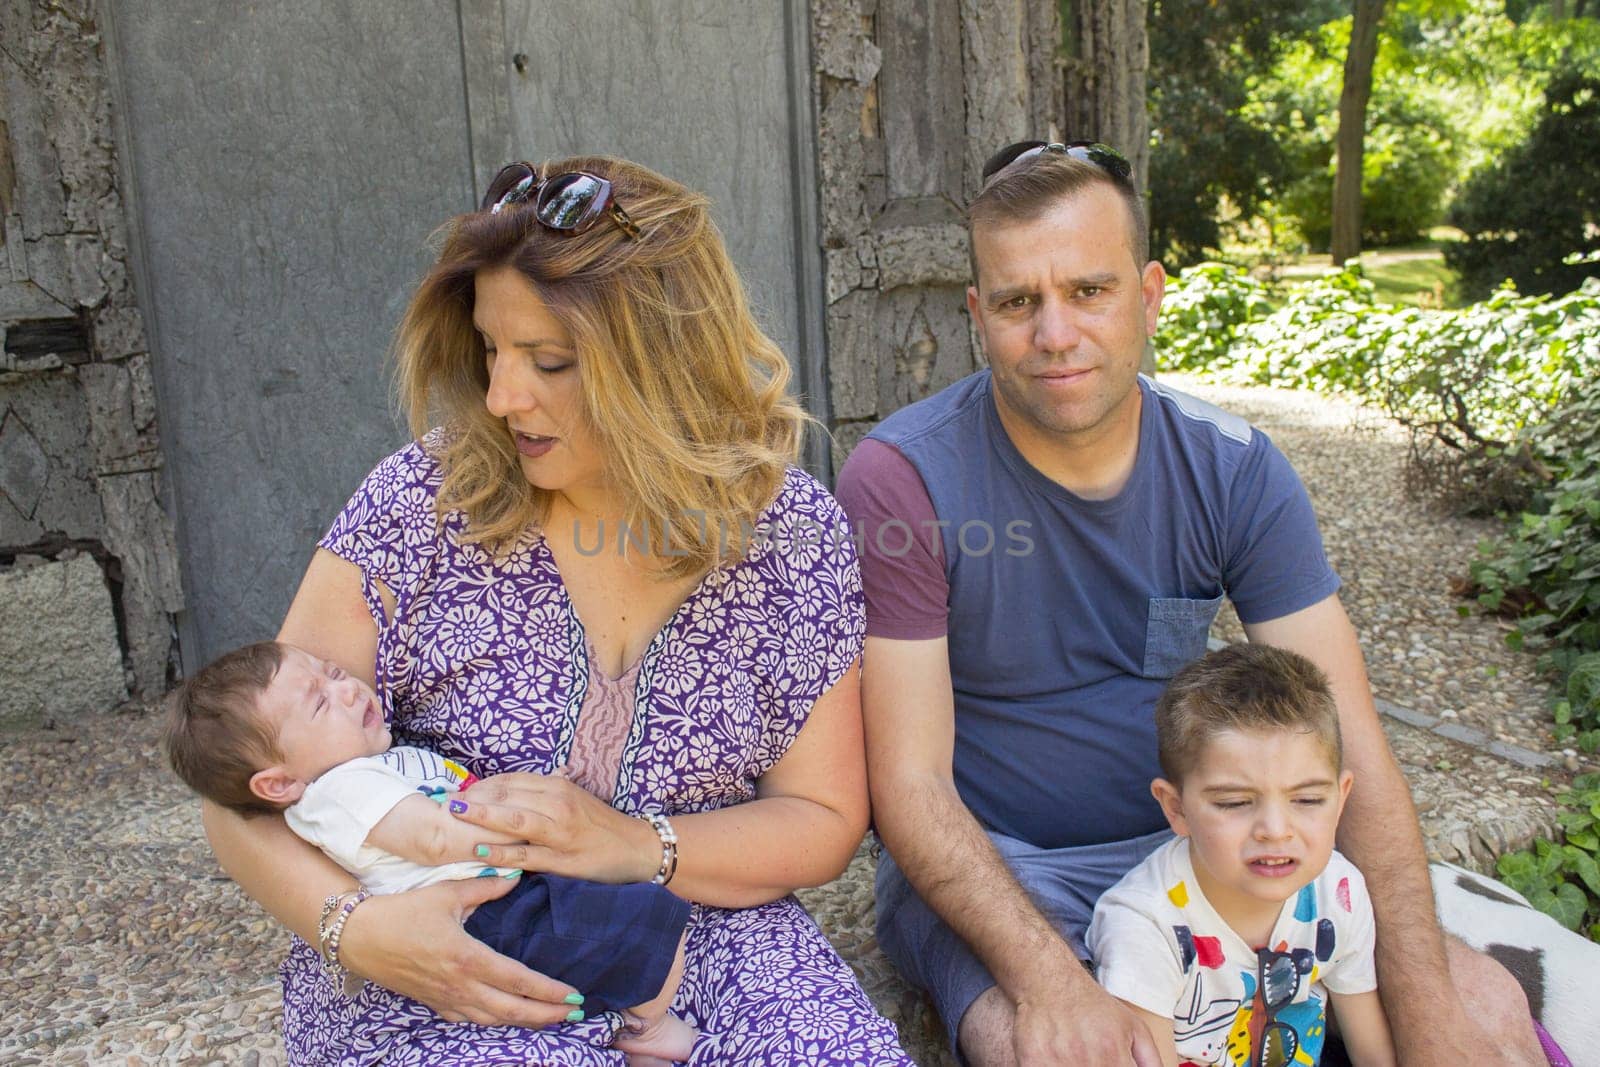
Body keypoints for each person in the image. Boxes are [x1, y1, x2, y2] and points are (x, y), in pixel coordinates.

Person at [833, 139, 1547, 1067]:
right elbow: (910, 785)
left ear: (1150, 293)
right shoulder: (903, 482)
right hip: (1007, 872)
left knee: (1484, 1010)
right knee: (1061, 1052)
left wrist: (1428, 1007)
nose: (1055, 333)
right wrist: (1053, 984)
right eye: (1018, 302)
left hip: (1212, 843)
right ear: (978, 315)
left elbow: (1351, 736)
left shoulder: (1234, 470)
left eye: (1088, 290)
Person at [201, 155, 914, 1065]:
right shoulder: (424, 498)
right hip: (444, 945)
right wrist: (358, 930)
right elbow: (245, 789)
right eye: (493, 350)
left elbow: (819, 816)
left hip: (699, 933)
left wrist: (631, 843)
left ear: (666, 361)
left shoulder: (791, 533)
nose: (502, 397)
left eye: (549, 360)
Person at [165, 640, 698, 1064]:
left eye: (332, 672)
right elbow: (434, 837)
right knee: (646, 916)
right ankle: (646, 1028)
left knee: (608, 924)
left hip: (498, 899)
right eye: (321, 703)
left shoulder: (376, 764)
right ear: (278, 785)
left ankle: (617, 1019)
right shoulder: (340, 792)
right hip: (482, 918)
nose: (348, 689)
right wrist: (533, 830)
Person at [1086, 643, 1394, 1067]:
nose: (1275, 830)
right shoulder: (1144, 927)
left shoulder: (1338, 892)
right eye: (1233, 803)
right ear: (1176, 808)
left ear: (1341, 798)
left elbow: (1372, 1049)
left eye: (1306, 799)